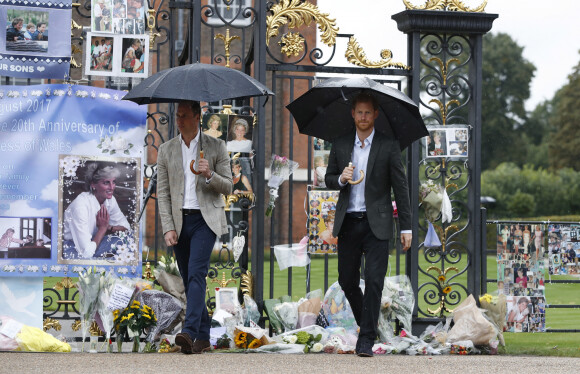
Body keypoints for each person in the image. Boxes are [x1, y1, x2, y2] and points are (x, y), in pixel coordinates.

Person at [324, 92, 412, 357]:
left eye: (367, 112)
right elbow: (329, 179)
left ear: (375, 115)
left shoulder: (389, 145)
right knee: (347, 280)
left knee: (374, 281)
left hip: (378, 225)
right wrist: (341, 178)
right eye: (358, 112)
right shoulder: (340, 144)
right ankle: (368, 322)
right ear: (353, 114)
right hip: (349, 223)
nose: (363, 117)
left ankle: (366, 339)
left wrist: (407, 227)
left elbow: (401, 187)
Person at [157, 100, 232, 354]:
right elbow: (163, 192)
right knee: (190, 279)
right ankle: (203, 335)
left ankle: (188, 332)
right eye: (177, 115)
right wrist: (168, 226)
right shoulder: (166, 150)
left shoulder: (216, 146)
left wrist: (209, 175)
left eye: (185, 116)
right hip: (180, 221)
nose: (179, 120)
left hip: (205, 220)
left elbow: (229, 186)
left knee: (196, 273)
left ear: (198, 117)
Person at [62, 163, 130, 259]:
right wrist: (102, 228)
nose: (112, 187)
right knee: (104, 260)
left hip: (93, 243)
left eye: (113, 182)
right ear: (93, 184)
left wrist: (109, 227)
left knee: (128, 240)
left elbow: (126, 228)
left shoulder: (110, 200)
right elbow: (86, 253)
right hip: (72, 247)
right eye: (106, 183)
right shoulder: (80, 206)